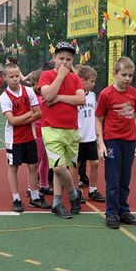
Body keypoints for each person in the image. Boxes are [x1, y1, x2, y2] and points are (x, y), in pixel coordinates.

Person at [38, 41, 86, 219]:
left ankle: (57, 202)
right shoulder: (47, 76)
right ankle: (74, 194)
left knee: (67, 167)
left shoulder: (75, 79)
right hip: (51, 129)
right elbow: (47, 95)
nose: (65, 62)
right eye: (61, 58)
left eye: (68, 59)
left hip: (71, 130)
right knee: (58, 168)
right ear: (54, 58)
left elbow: (81, 100)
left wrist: (58, 98)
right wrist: (60, 77)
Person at [95, 56, 136, 229]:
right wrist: (101, 143)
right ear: (115, 74)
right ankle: (112, 212)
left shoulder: (134, 93)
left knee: (125, 179)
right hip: (112, 141)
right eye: (124, 75)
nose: (128, 79)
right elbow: (98, 119)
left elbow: (133, 118)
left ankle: (123, 210)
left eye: (130, 75)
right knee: (113, 179)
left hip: (128, 142)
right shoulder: (106, 94)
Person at [0, 63, 49, 212]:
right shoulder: (4, 97)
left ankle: (35, 196)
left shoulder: (28, 91)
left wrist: (23, 118)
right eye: (11, 77)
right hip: (13, 139)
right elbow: (12, 121)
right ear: (5, 78)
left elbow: (39, 113)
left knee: (33, 166)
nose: (15, 79)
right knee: (13, 167)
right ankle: (16, 198)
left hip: (30, 136)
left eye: (17, 75)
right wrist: (29, 115)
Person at [76, 65, 105, 202]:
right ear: (82, 80)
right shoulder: (75, 96)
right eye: (92, 81)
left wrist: (99, 135)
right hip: (77, 138)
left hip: (90, 137)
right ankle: (76, 190)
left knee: (95, 163)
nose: (94, 84)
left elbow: (96, 115)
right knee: (76, 165)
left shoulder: (92, 96)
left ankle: (93, 190)